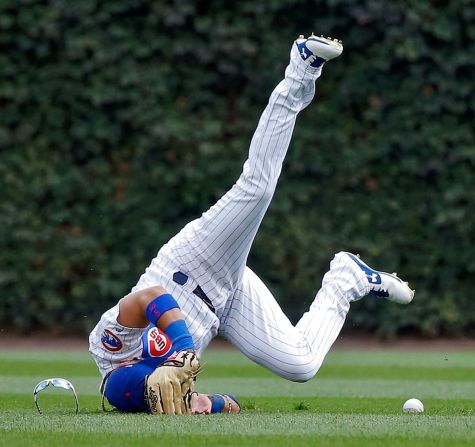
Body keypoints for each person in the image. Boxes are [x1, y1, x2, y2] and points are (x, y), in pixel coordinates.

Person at [89, 34, 415, 414]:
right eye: (153, 395)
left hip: (193, 264)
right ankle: (347, 279)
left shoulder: (110, 345)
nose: (158, 391)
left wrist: (182, 350)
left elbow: (149, 298)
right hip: (225, 303)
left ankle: (301, 68)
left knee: (257, 188)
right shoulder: (163, 399)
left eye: (151, 389)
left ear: (127, 372)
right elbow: (231, 404)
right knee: (301, 364)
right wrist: (208, 404)